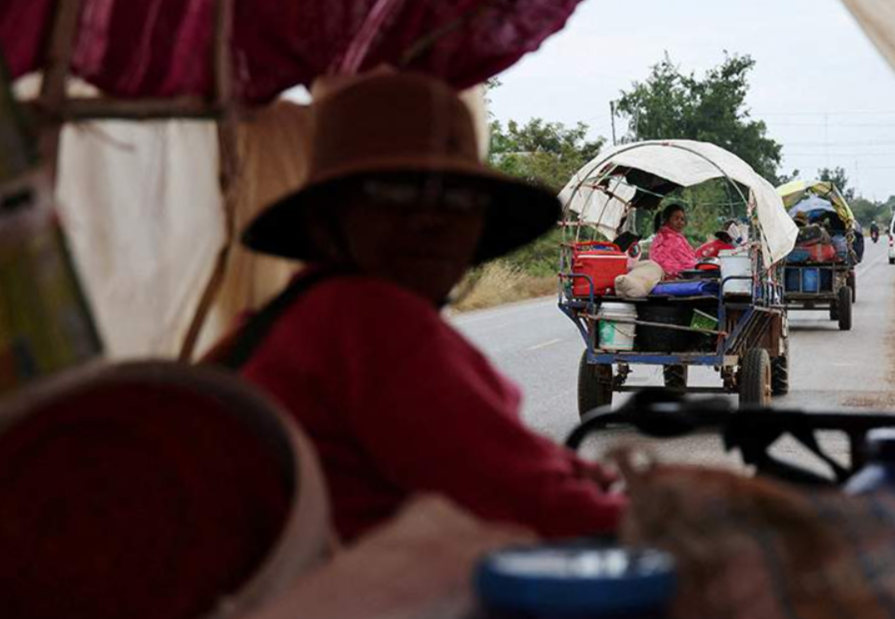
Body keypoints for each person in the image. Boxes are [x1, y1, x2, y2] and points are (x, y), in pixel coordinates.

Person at [208, 72, 624, 543]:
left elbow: (491, 460)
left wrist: (564, 470)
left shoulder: (294, 313)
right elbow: (537, 507)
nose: (433, 221)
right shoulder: (374, 320)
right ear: (329, 219)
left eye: (459, 198)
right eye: (395, 193)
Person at [649, 203, 697, 278]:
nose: (680, 222)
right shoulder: (670, 239)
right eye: (676, 218)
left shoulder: (661, 236)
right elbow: (686, 264)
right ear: (667, 220)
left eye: (682, 219)